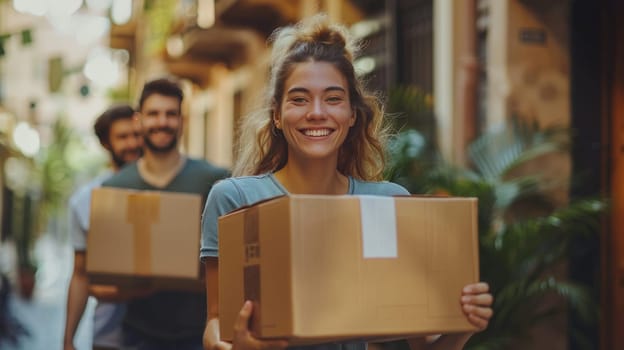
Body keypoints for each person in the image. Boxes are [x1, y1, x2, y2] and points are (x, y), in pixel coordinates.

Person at [200, 14, 493, 350]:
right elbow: (215, 324)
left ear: (353, 114)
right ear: (277, 115)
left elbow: (422, 342)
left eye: (333, 98)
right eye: (299, 99)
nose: (316, 112)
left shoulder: (386, 205)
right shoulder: (236, 200)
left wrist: (461, 328)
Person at [102, 78, 230, 350]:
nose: (163, 122)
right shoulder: (116, 188)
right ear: (139, 121)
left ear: (182, 121)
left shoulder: (215, 182)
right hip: (137, 335)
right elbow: (100, 279)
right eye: (154, 114)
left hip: (201, 335)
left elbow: (230, 263)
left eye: (171, 114)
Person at [64, 104, 143, 350]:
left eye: (136, 134)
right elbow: (80, 273)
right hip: (109, 335)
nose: (132, 143)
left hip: (164, 334)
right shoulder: (85, 200)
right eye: (122, 137)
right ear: (106, 143)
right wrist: (68, 339)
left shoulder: (166, 192)